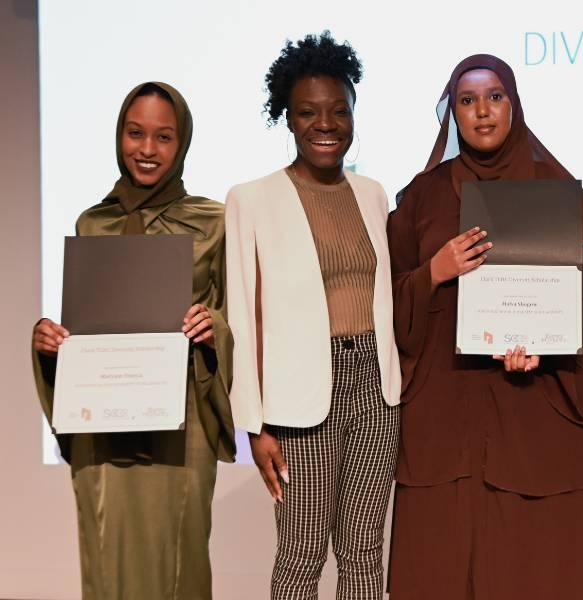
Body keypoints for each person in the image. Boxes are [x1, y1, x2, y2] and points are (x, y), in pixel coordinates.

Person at [385, 54, 583, 599]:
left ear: (514, 104)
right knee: (444, 563)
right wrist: (434, 272)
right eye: (467, 101)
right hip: (447, 415)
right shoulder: (423, 196)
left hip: (538, 410)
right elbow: (387, 296)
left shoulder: (557, 190)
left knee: (540, 568)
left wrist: (550, 346)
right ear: (453, 114)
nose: (482, 111)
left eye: (494, 97)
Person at [30, 81, 234, 600]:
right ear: (119, 134)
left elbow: (235, 320)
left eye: (163, 137)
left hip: (181, 424)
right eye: (135, 133)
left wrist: (213, 326)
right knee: (107, 563)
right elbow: (88, 327)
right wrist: (51, 345)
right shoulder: (93, 223)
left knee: (181, 560)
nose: (147, 149)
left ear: (182, 141)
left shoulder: (212, 223)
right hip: (103, 430)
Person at [224, 32, 401, 599]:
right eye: (308, 112)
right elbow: (243, 317)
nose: (326, 124)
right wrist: (255, 424)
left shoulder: (374, 194)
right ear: (288, 117)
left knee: (364, 551)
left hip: (376, 391)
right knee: (301, 554)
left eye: (338, 110)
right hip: (296, 403)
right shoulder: (251, 199)